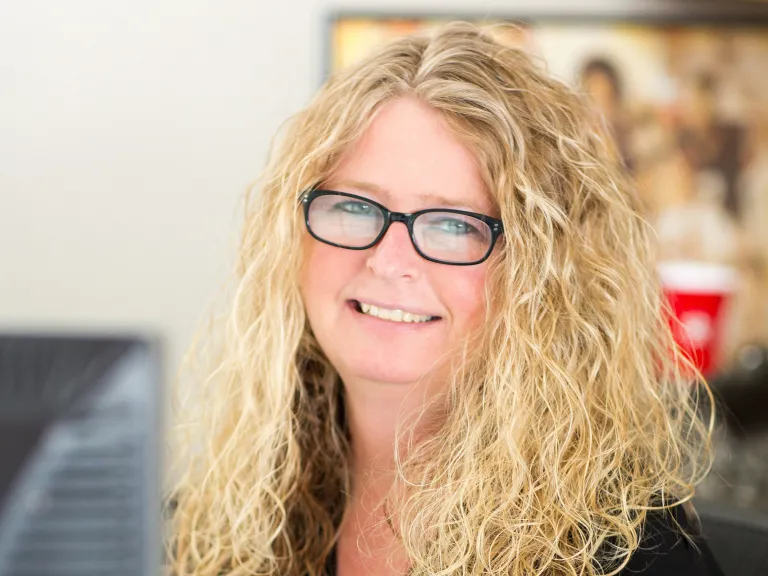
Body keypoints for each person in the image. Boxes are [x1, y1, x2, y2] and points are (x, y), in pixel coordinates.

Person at [167, 23, 723, 576]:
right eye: (356, 207)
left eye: (453, 225)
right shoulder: (228, 520)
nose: (387, 260)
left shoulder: (633, 558)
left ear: (540, 274)